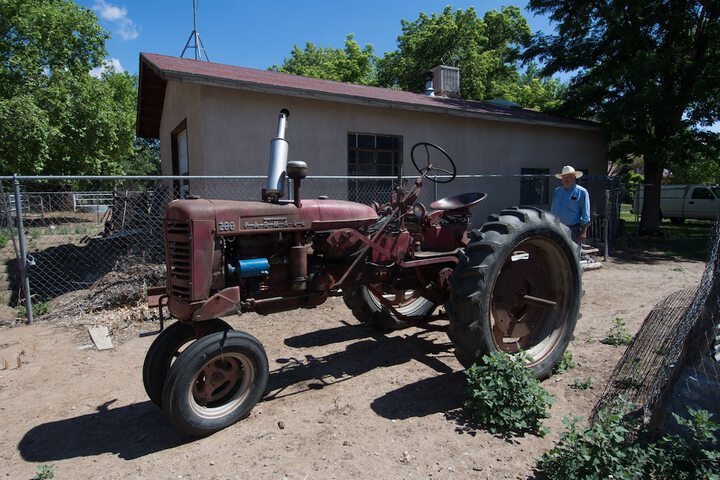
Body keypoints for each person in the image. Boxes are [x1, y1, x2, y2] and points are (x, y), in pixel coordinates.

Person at [550, 165, 590, 246]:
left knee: (572, 254)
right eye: (564, 177)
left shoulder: (582, 192)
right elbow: (553, 210)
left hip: (573, 230)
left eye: (568, 177)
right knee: (558, 253)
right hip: (558, 228)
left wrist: (583, 232)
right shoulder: (557, 191)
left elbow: (586, 214)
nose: (566, 179)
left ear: (574, 177)